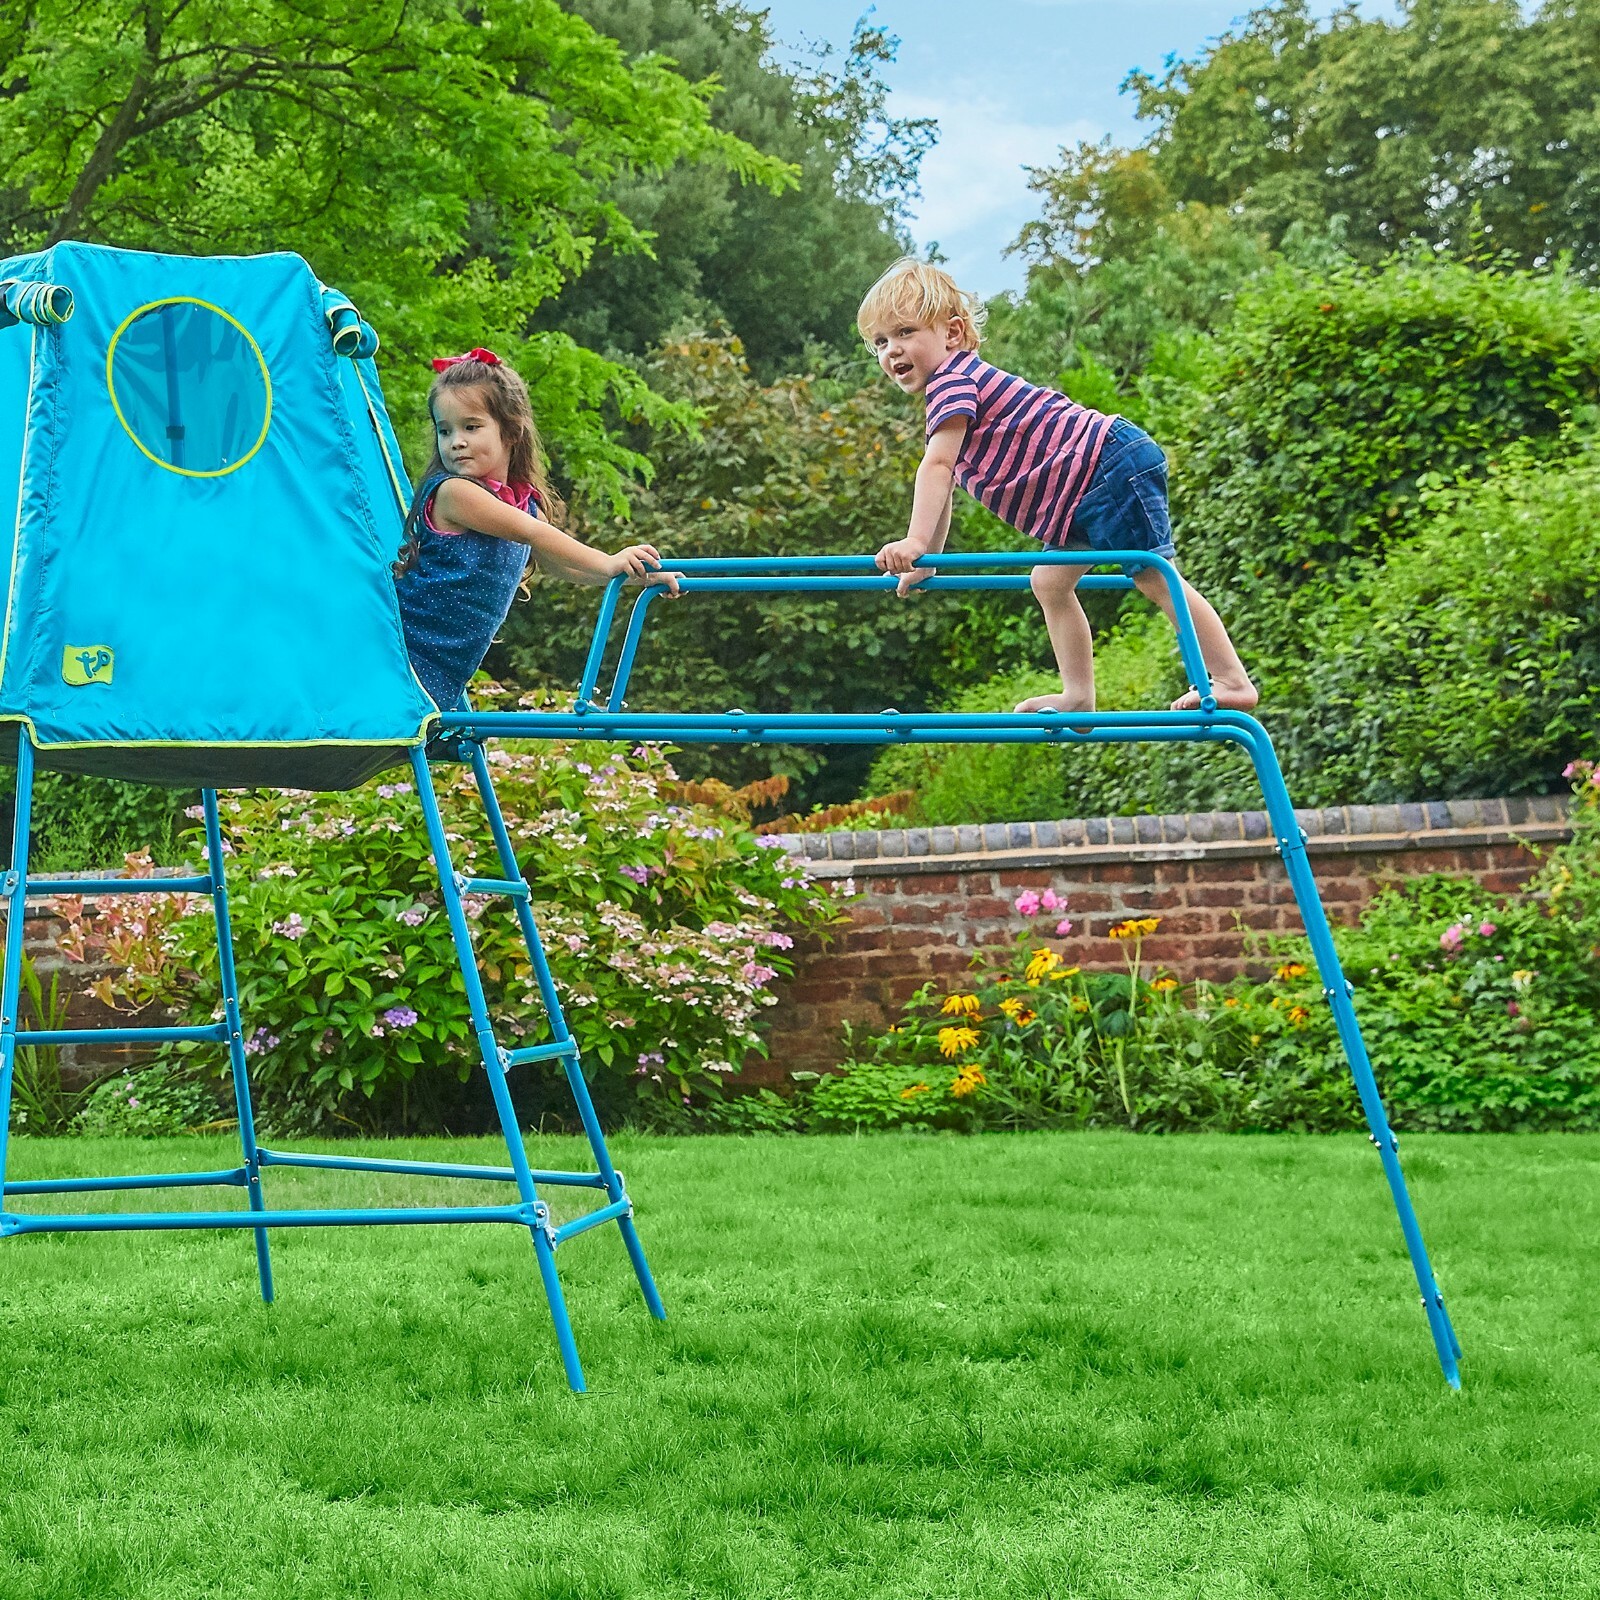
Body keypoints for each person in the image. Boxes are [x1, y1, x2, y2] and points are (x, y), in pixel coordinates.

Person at [859, 260, 1256, 714]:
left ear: (951, 334)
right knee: (1048, 583)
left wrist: (912, 541)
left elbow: (936, 467)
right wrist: (927, 560)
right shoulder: (954, 393)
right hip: (1079, 490)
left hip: (1104, 468)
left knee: (1154, 576)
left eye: (905, 332)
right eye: (881, 342)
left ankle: (1231, 680)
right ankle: (1078, 697)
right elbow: (944, 481)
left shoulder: (953, 383)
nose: (892, 351)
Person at [393, 347, 677, 713]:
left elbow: (563, 565)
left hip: (443, 670)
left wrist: (632, 576)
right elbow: (533, 534)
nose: (456, 441)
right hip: (407, 655)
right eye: (444, 430)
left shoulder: (521, 502)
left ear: (511, 431)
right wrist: (609, 561)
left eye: (471, 426)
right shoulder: (455, 493)